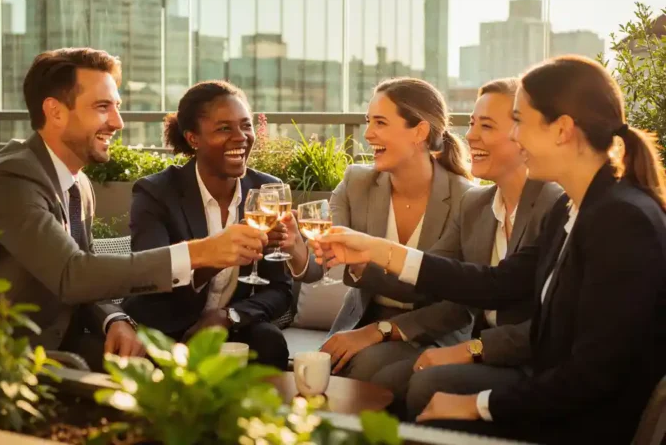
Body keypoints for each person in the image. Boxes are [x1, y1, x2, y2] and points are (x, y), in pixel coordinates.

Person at [314, 55, 666, 444]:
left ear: (562, 130)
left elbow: (593, 377)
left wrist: (480, 404)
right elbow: (497, 284)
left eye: (520, 122)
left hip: (585, 425)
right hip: (561, 400)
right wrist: (376, 249)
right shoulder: (574, 208)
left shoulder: (622, 221)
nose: (514, 138)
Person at [0, 48, 268, 372]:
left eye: (116, 106)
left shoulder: (78, 184)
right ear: (56, 111)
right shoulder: (11, 179)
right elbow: (72, 274)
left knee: (164, 369)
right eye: (102, 107)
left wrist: (114, 319)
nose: (118, 121)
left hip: (49, 344)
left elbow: (84, 276)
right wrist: (202, 252)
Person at [368, 78, 563, 414]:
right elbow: (432, 275)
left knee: (425, 385)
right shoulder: (475, 205)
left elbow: (552, 326)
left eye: (486, 125)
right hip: (487, 356)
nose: (470, 136)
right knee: (385, 382)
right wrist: (360, 259)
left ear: (523, 136)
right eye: (472, 123)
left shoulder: (554, 206)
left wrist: (473, 348)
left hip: (533, 362)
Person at [285, 77, 474, 380]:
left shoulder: (466, 199)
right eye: (368, 121)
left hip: (431, 329)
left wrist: (364, 269)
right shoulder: (356, 182)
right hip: (362, 319)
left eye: (381, 123)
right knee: (330, 368)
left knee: (364, 368)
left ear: (420, 131)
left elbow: (450, 299)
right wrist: (295, 246)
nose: (368, 134)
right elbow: (318, 266)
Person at [125, 81, 292, 370]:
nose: (241, 138)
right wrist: (220, 255)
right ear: (193, 138)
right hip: (165, 323)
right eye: (224, 128)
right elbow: (150, 280)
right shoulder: (156, 193)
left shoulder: (266, 190)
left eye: (246, 126)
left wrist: (227, 316)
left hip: (228, 324)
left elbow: (281, 289)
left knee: (269, 341)